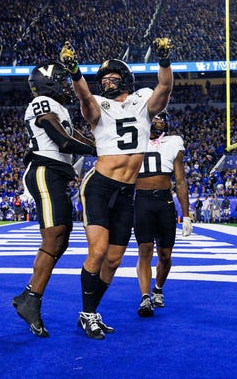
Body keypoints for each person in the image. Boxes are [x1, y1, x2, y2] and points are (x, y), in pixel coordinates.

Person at [60, 37, 173, 339]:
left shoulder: (142, 100)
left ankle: (89, 313)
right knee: (97, 252)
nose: (107, 83)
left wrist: (164, 59)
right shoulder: (99, 104)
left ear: (126, 79)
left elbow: (164, 88)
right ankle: (87, 313)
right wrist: (75, 72)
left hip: (127, 192)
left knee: (113, 260)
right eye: (104, 79)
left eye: (113, 78)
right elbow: (85, 99)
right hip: (99, 185)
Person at [11, 61, 97, 338]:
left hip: (57, 174)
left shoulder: (59, 107)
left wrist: (103, 144)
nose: (66, 86)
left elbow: (75, 135)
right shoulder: (42, 102)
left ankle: (29, 296)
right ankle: (31, 299)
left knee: (62, 240)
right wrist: (100, 151)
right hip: (44, 171)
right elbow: (62, 140)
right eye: (62, 80)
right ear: (49, 83)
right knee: (53, 236)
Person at [133, 112, 192, 317]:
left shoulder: (173, 141)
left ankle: (158, 289)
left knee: (165, 255)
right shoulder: (134, 140)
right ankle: (145, 297)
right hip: (142, 200)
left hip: (165, 201)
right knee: (145, 250)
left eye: (162, 119)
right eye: (155, 118)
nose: (159, 121)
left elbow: (181, 180)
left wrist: (186, 215)